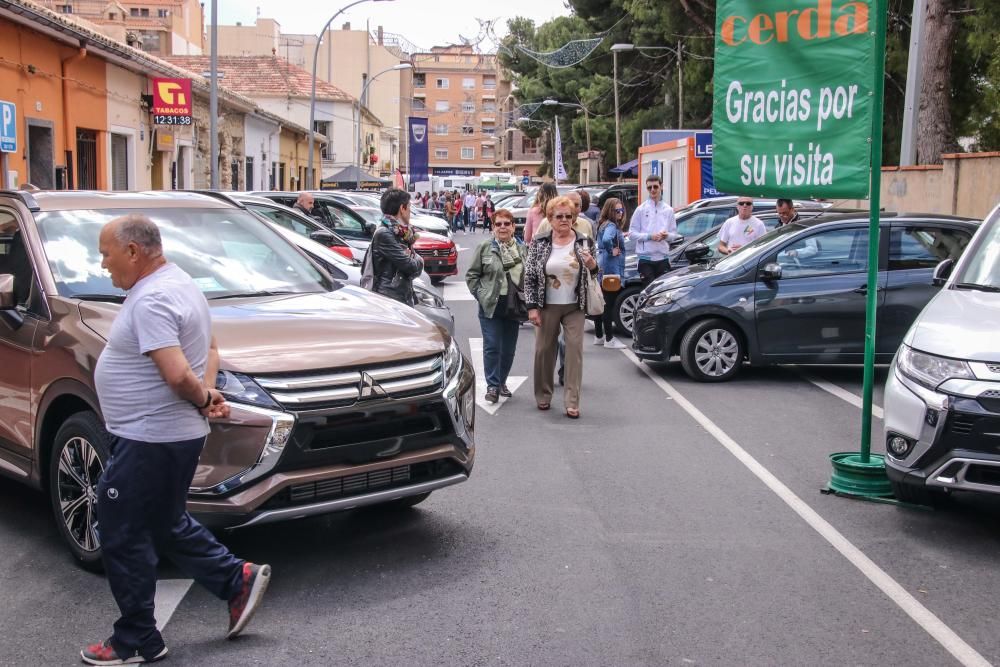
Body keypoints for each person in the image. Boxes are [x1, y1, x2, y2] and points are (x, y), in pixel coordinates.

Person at [84, 214, 269, 666]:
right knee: (164, 521)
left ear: (133, 251)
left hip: (150, 437)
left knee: (121, 530)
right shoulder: (180, 282)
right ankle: (236, 580)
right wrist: (206, 399)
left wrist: (202, 394)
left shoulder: (153, 299)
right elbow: (207, 349)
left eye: (106, 253)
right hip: (165, 434)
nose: (102, 263)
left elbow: (175, 374)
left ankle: (134, 640)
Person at [524, 196, 599, 419]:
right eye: (560, 216)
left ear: (574, 218)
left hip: (575, 305)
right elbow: (529, 276)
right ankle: (543, 395)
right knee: (544, 350)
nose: (565, 220)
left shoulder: (584, 241)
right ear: (550, 218)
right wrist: (532, 308)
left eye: (569, 216)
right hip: (546, 304)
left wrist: (593, 266)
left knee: (574, 352)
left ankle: (572, 402)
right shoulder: (540, 242)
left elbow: (595, 274)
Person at [465, 208, 527, 403]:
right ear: (493, 227)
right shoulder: (485, 247)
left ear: (513, 226)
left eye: (506, 224)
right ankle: (492, 386)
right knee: (492, 346)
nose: (502, 227)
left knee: (508, 349)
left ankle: (501, 382)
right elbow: (472, 276)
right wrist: (482, 296)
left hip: (514, 306)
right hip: (491, 305)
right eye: (498, 224)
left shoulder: (522, 249)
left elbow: (529, 275)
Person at [368, 188, 424, 304]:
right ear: (402, 209)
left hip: (400, 295)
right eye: (408, 207)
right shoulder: (385, 234)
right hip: (390, 298)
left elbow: (410, 265)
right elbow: (411, 267)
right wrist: (419, 259)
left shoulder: (400, 232)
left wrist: (412, 259)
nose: (410, 212)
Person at [629, 174, 679, 286]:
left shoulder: (668, 210)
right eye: (649, 187)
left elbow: (674, 234)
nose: (652, 190)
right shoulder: (640, 209)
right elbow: (631, 234)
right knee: (649, 292)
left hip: (663, 258)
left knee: (662, 293)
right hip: (645, 259)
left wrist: (666, 236)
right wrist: (649, 236)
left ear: (661, 187)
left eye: (655, 187)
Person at [594, 198, 628, 349]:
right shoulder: (612, 226)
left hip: (602, 266)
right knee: (608, 304)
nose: (620, 213)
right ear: (610, 211)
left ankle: (599, 336)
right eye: (617, 210)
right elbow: (608, 239)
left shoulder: (603, 224)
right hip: (611, 268)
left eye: (621, 210)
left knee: (601, 302)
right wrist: (611, 250)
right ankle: (609, 339)